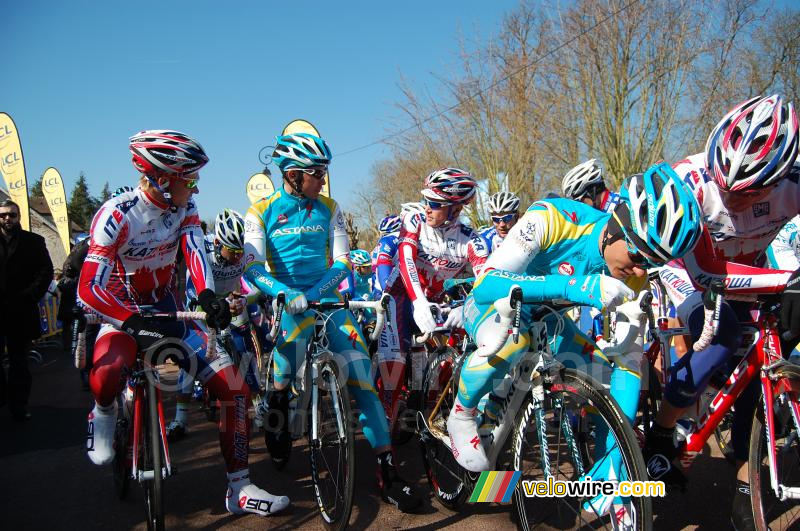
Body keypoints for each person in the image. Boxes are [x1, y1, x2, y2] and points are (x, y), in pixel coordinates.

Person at [449, 163, 701, 513]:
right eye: (637, 255)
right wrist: (576, 285)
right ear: (616, 229)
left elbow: (629, 362)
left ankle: (603, 480)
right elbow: (487, 284)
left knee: (604, 374)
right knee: (514, 340)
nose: (640, 271)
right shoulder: (555, 217)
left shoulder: (636, 274)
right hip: (493, 307)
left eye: (652, 263)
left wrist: (618, 465)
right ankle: (461, 414)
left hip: (548, 323)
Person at [78, 130, 288, 517]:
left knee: (234, 388)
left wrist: (208, 297)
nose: (195, 187)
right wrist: (128, 319)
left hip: (168, 309)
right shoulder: (117, 214)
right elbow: (88, 288)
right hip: (120, 312)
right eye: (189, 179)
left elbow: (194, 252)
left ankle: (239, 488)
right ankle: (104, 410)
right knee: (106, 373)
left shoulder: (184, 209)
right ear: (161, 178)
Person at [243, 132, 421, 513]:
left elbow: (341, 263)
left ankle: (388, 472)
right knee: (284, 375)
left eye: (324, 171)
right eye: (317, 172)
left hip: (328, 301)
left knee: (362, 381)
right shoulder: (261, 212)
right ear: (293, 174)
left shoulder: (330, 206)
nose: (323, 178)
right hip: (288, 303)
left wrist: (319, 291)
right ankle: (277, 406)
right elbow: (252, 265)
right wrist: (284, 292)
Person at [645, 95, 800, 531]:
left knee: (769, 357)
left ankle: (743, 479)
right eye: (725, 188)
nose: (731, 198)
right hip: (688, 269)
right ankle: (662, 431)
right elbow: (657, 250)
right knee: (722, 337)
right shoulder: (689, 178)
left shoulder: (795, 179)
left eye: (747, 193)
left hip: (751, 269)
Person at [379, 168, 489, 437]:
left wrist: (467, 307)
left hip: (435, 300)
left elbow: (488, 279)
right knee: (394, 369)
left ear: (455, 208)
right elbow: (405, 260)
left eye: (435, 204)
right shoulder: (413, 220)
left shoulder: (471, 239)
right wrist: (417, 301)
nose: (427, 208)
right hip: (401, 296)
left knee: (454, 354)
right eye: (426, 200)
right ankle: (384, 452)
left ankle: (433, 411)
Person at [167, 209, 263, 441]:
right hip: (200, 302)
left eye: (241, 251)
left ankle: (260, 406)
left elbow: (258, 287)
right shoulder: (205, 249)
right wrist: (210, 305)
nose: (238, 257)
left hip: (230, 300)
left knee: (245, 347)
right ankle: (180, 418)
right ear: (218, 242)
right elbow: (192, 286)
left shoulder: (245, 252)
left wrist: (243, 300)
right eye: (233, 251)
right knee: (190, 356)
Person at [0, 199, 54, 421]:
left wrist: (30, 295)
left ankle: (19, 406)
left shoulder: (33, 241)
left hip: (21, 311)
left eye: (11, 215)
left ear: (19, 216)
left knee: (19, 361)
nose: (7, 219)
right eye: (3, 215)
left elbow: (45, 271)